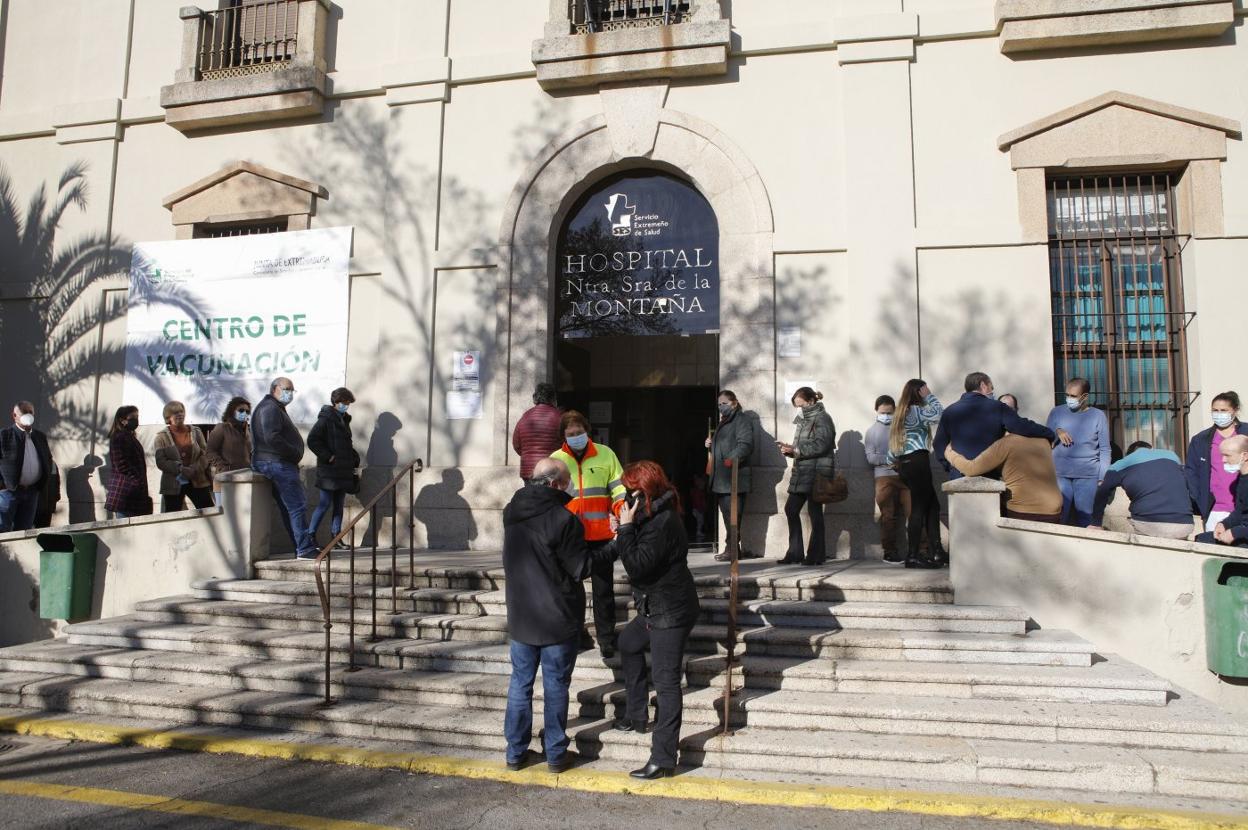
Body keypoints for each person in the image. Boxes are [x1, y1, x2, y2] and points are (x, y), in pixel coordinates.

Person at [502, 458, 611, 774]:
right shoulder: (563, 519)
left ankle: (515, 752)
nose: (569, 487)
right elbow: (581, 568)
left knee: (520, 684)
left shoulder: (512, 511)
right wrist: (615, 546)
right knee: (555, 687)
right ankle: (555, 754)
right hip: (556, 617)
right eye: (565, 481)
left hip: (522, 615)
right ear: (555, 484)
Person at [612, 460, 700, 781]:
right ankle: (636, 714)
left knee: (666, 683)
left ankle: (663, 757)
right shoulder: (649, 515)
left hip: (669, 612)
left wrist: (625, 528)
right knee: (628, 643)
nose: (625, 496)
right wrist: (623, 529)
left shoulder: (662, 522)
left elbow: (637, 566)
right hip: (655, 606)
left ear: (644, 491)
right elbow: (626, 550)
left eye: (629, 490)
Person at [551, 410, 626, 658]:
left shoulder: (606, 454)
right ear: (563, 435)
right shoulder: (556, 460)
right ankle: (576, 634)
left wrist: (621, 512)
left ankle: (606, 639)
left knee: (603, 591)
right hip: (569, 537)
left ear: (587, 431)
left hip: (601, 535)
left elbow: (618, 489)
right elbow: (550, 498)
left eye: (579, 433)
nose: (576, 437)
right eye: (571, 434)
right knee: (571, 591)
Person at [933, 372, 1054, 478]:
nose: (992, 392)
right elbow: (1021, 426)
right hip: (990, 473)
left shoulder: (950, 411)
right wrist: (1048, 433)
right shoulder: (997, 407)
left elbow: (939, 443)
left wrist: (950, 467)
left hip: (958, 474)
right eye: (991, 387)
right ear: (983, 385)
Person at [252, 377, 316, 559]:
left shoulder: (274, 408)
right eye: (286, 389)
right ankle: (304, 548)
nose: (289, 393)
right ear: (275, 389)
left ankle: (302, 547)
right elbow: (272, 437)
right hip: (277, 463)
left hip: (275, 463)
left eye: (292, 390)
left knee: (290, 507)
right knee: (297, 506)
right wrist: (293, 452)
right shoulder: (270, 408)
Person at [886, 380, 946, 568]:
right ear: (918, 391)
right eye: (924, 388)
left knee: (932, 506)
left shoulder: (899, 414)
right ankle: (913, 554)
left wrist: (894, 462)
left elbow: (892, 448)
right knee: (920, 508)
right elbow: (939, 414)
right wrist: (929, 396)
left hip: (905, 463)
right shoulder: (917, 411)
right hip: (918, 461)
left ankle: (936, 551)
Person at [777, 387, 836, 566]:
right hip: (803, 472)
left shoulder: (822, 418)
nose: (800, 409)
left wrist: (796, 450)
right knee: (791, 509)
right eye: (797, 406)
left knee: (815, 513)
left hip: (817, 473)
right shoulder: (804, 419)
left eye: (801, 405)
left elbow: (822, 444)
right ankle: (796, 553)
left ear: (810, 401)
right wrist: (790, 450)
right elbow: (803, 446)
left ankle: (816, 555)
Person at [944, 435, 1062, 522]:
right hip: (1053, 506)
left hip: (1025, 509)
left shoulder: (1006, 443)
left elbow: (971, 468)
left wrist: (950, 454)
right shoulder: (1042, 440)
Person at [1090, 442, 1194, 539]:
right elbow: (1187, 482)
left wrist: (1095, 523)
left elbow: (1102, 492)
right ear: (1151, 449)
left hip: (1148, 525)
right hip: (1185, 525)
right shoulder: (1173, 456)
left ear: (1128, 454)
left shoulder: (1121, 464)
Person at [1046, 378, 1111, 528]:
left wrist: (1102, 476)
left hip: (1088, 475)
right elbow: (1045, 441)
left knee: (1086, 519)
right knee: (1059, 516)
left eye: (1073, 396)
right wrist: (1057, 431)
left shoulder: (1098, 416)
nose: (1069, 399)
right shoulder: (1056, 412)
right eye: (1067, 395)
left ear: (1085, 397)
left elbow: (1105, 449)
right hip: (1059, 474)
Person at [1185, 392, 1248, 533]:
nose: (1219, 414)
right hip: (1215, 509)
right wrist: (1200, 501)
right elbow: (1191, 472)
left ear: (1235, 410)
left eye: (1224, 410)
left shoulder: (1245, 434)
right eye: (1215, 410)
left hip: (1243, 510)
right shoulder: (1200, 440)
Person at [707, 389, 757, 561]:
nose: (721, 407)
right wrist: (711, 444)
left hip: (734, 477)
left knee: (733, 516)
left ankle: (733, 550)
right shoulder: (725, 421)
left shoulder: (742, 420)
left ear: (734, 403)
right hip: (722, 479)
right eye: (719, 404)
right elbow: (724, 445)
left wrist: (731, 459)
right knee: (728, 516)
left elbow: (746, 444)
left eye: (725, 404)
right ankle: (732, 549)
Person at [307, 387, 360, 548]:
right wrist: (328, 456)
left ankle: (336, 538)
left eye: (348, 403)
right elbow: (313, 440)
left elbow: (345, 444)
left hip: (343, 470)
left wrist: (353, 458)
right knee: (324, 504)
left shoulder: (344, 419)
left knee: (339, 505)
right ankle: (310, 536)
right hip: (329, 471)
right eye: (344, 403)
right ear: (335, 402)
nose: (346, 406)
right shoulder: (326, 419)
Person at [864, 394, 910, 564]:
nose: (886, 416)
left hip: (905, 476)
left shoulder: (902, 428)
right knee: (888, 516)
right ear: (877, 411)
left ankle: (920, 549)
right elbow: (871, 458)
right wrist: (890, 459)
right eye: (883, 412)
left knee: (913, 512)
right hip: (883, 477)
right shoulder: (872, 432)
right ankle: (889, 551)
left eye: (889, 412)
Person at [0, 400, 54, 532]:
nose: (28, 415)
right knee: (3, 530)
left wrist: (40, 484)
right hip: (8, 492)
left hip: (31, 492)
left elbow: (47, 459)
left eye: (30, 412)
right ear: (14, 415)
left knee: (24, 532)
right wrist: (2, 485)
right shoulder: (4, 435)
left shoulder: (39, 436)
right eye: (24, 412)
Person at [153, 401, 213, 513]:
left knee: (208, 512)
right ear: (168, 417)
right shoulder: (161, 437)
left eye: (181, 411)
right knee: (171, 516)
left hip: (197, 479)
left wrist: (195, 468)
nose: (179, 414)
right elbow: (161, 461)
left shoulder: (196, 432)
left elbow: (205, 454)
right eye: (175, 412)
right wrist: (180, 468)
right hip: (173, 482)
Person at [1195, 435, 1247, 547]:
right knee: (1201, 539)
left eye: (1227, 455)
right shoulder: (1241, 479)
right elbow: (1240, 512)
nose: (1223, 460)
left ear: (1244, 456)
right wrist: (1224, 524)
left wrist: (1236, 532)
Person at [104, 406, 151, 519]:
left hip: (135, 494)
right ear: (122, 420)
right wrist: (136, 480)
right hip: (125, 493)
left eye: (137, 416)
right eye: (132, 417)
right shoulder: (119, 437)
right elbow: (120, 464)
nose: (136, 419)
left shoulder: (130, 437)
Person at [205, 397, 252, 507]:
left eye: (247, 411)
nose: (244, 413)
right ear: (232, 411)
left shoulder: (247, 431)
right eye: (241, 410)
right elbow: (210, 451)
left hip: (244, 480)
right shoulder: (222, 428)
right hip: (224, 480)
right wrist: (224, 468)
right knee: (224, 516)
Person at [512, 383, 563, 481]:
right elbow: (566, 445)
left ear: (535, 397)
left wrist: (528, 456)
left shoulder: (525, 417)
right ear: (553, 398)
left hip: (529, 471)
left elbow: (517, 445)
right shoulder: (559, 417)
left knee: (531, 496)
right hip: (551, 470)